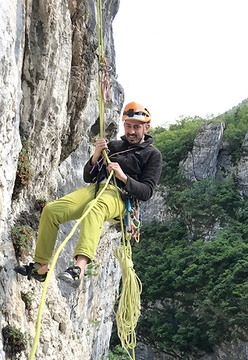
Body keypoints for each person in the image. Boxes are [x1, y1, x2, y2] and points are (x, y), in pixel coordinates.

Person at [14, 102, 162, 288]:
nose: (132, 131)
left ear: (146, 128)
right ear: (124, 125)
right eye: (129, 126)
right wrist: (96, 154)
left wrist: (123, 177)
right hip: (95, 189)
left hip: (121, 196)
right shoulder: (114, 146)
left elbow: (147, 191)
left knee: (95, 209)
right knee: (52, 210)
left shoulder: (152, 154)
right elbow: (88, 176)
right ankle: (40, 266)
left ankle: (79, 269)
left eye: (137, 127)